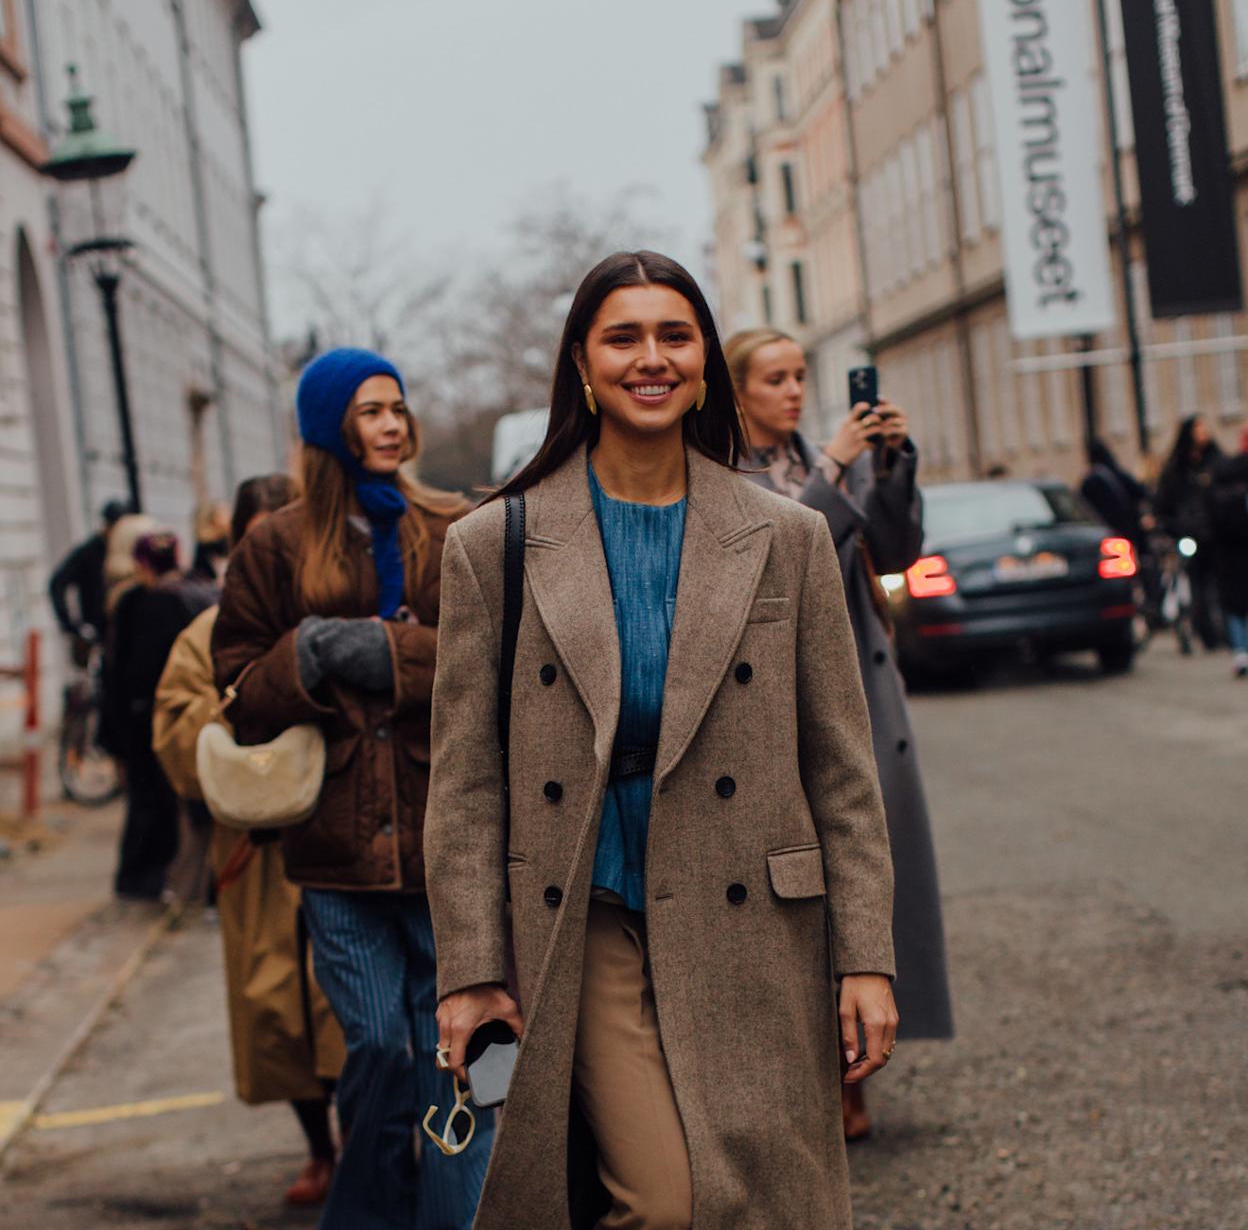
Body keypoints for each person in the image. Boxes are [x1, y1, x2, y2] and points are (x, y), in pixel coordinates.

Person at [425, 252, 897, 1230]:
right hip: (584, 914)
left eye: (675, 335)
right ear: (583, 367)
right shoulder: (494, 545)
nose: (653, 358)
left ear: (705, 364)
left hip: (756, 919)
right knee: (667, 1204)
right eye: (624, 337)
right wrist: (471, 974)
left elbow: (841, 768)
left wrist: (866, 956)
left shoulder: (784, 536)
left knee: (763, 1201)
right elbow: (467, 780)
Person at [212, 348, 484, 1229]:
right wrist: (307, 654)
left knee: (461, 1051)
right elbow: (238, 689)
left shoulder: (452, 528)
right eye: (372, 410)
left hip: (447, 834)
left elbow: (499, 664)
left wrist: (389, 653)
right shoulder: (274, 543)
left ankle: (456, 1215)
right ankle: (370, 1216)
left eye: (399, 407)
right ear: (331, 426)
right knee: (375, 1045)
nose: (394, 424)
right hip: (334, 846)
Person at [725, 328, 953, 1142]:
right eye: (775, 378)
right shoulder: (727, 473)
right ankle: (810, 1070)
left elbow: (895, 550)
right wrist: (830, 466)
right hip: (769, 700)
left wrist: (891, 464)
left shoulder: (835, 457)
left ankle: (859, 1061)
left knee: (866, 869)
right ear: (737, 388)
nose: (792, 391)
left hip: (858, 676)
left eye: (800, 377)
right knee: (795, 883)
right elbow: (775, 555)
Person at [152, 473, 346, 1208]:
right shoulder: (203, 635)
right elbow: (176, 728)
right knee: (277, 1009)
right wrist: (244, 716)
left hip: (339, 840)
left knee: (349, 1007)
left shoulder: (338, 611)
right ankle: (319, 1149)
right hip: (256, 854)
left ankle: (366, 1137)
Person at [108, 531, 217, 899]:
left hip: (151, 721)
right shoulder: (198, 593)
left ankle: (145, 881)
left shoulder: (143, 604)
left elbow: (131, 674)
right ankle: (190, 882)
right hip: (189, 715)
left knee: (150, 802)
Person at [1155, 416, 1225, 649]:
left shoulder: (1216, 461)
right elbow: (1164, 502)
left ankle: (1223, 629)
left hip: (1215, 532)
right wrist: (1170, 525)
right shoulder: (1177, 469)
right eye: (1198, 429)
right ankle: (1204, 630)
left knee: (1220, 582)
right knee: (1196, 584)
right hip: (1189, 534)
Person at [1080, 439, 1160, 623]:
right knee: (1134, 570)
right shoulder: (1114, 474)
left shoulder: (1092, 481)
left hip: (1111, 537)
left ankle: (1138, 607)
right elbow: (1140, 492)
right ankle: (1146, 606)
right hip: (1127, 532)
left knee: (1124, 576)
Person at [48, 499, 130, 652]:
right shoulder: (89, 552)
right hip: (99, 632)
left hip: (125, 631)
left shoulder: (128, 549)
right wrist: (71, 626)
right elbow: (57, 583)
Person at [1211, 424, 1248, 676]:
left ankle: (1240, 652)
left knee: (1236, 607)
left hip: (1229, 557)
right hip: (1236, 554)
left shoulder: (1219, 487)